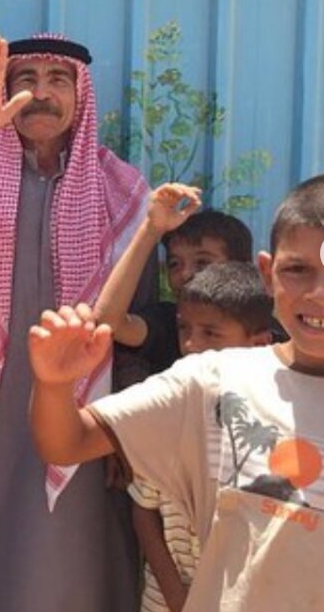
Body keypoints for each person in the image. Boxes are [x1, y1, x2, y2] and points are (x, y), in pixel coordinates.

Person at [0, 34, 149, 610]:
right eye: (26, 80)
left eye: (57, 80)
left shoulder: (122, 191)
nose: (41, 94)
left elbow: (137, 320)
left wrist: (128, 431)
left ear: (80, 96)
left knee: (77, 554)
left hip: (88, 409)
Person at [29, 173, 324, 612]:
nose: (318, 293)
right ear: (267, 273)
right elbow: (66, 442)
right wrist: (54, 384)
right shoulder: (212, 379)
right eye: (298, 270)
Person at [130, 260, 273, 612]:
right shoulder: (168, 412)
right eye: (184, 329)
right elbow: (144, 511)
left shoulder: (274, 425)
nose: (192, 344)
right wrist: (177, 596)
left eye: (211, 333)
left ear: (258, 344)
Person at [95, 181, 254, 384]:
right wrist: (151, 229)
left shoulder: (267, 326)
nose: (186, 273)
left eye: (203, 262)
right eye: (174, 264)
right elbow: (109, 322)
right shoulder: (166, 323)